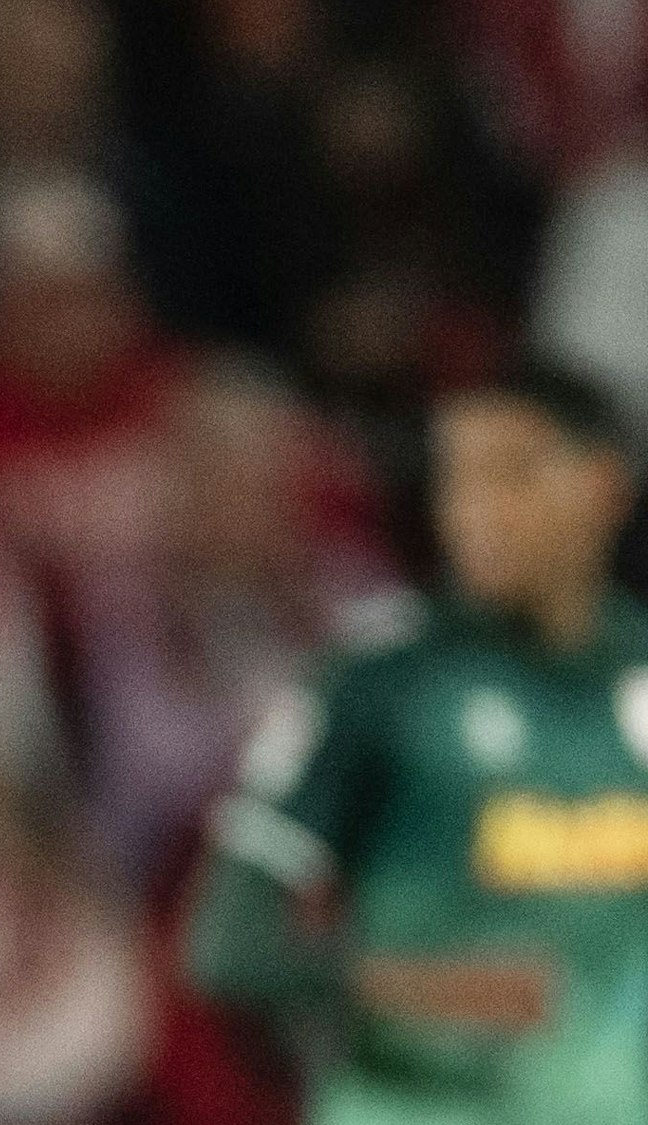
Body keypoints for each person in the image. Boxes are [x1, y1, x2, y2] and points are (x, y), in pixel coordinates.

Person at [188, 361, 648, 1124]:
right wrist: (432, 988)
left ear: (602, 485)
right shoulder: (378, 682)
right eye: (457, 480)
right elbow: (229, 942)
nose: (474, 510)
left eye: (511, 475)